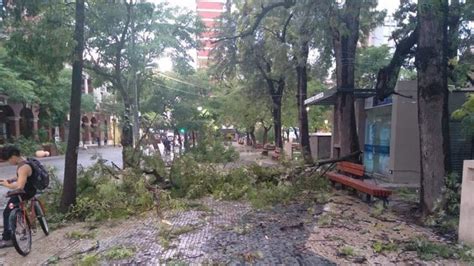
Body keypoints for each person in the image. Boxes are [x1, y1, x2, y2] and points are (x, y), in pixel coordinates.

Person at [0, 146, 37, 248]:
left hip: (25, 192)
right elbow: (21, 176)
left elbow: (19, 186)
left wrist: (5, 185)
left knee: (7, 212)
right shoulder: (25, 161)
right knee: (13, 208)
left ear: (13, 156)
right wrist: (10, 180)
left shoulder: (23, 167)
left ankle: (7, 239)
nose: (9, 162)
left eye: (8, 160)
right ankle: (18, 223)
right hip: (30, 189)